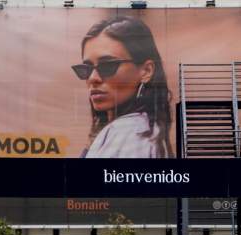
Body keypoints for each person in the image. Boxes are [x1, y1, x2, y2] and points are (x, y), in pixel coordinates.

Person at [72, 16, 172, 158]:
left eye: (108, 66)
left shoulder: (127, 130)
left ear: (146, 71)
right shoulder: (147, 129)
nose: (93, 78)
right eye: (86, 69)